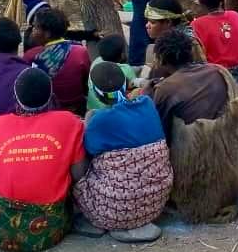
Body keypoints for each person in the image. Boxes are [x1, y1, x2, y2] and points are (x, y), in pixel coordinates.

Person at [0, 68, 86, 252]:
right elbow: (79, 174)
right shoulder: (70, 122)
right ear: (51, 97)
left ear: (16, 98)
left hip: (0, 223)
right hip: (48, 228)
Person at [151, 31, 238, 223]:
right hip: (228, 161)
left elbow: (160, 137)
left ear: (161, 59)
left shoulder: (166, 89)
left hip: (196, 173)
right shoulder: (218, 71)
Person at [73, 62, 171, 241]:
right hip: (155, 203)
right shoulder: (147, 104)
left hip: (114, 211)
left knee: (77, 166)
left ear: (96, 94)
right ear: (126, 84)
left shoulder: (99, 121)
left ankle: (106, 222)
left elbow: (87, 153)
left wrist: (88, 119)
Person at [23, 7, 92, 115]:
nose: (32, 31)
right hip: (77, 111)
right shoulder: (80, 51)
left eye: (35, 27)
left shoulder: (31, 56)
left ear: (47, 33)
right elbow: (87, 83)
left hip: (46, 113)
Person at [190, 0, 238, 80]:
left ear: (200, 2)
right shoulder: (235, 15)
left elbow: (199, 56)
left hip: (216, 75)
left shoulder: (197, 24)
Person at [143, 0, 204, 66]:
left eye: (152, 22)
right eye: (148, 21)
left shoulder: (185, 44)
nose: (147, 25)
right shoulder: (164, 39)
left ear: (168, 22)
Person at [86, 33, 137, 113]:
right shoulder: (126, 69)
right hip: (113, 111)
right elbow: (134, 88)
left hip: (92, 109)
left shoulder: (96, 61)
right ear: (122, 54)